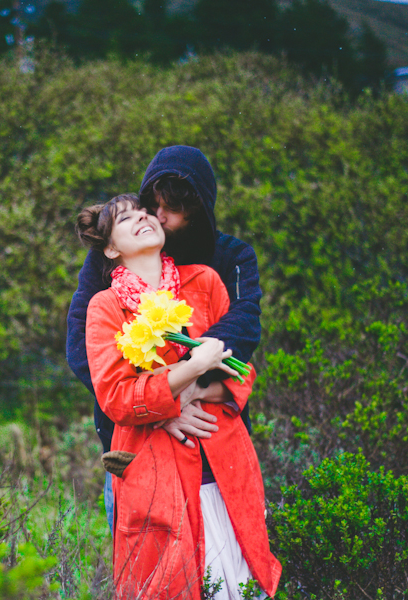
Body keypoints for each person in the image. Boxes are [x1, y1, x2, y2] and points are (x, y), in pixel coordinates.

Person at [76, 194, 280, 599]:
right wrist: (191, 369)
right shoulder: (106, 308)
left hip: (224, 467)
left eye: (144, 213)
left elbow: (243, 374)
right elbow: (116, 396)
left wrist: (198, 388)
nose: (141, 219)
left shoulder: (204, 282)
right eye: (126, 219)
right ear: (111, 248)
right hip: (156, 477)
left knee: (239, 584)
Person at [66, 145, 263, 527]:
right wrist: (156, 410)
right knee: (150, 574)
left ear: (197, 209)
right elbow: (82, 348)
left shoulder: (228, 258)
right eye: (149, 204)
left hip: (214, 445)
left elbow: (243, 325)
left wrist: (190, 382)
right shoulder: (114, 255)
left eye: (170, 208)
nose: (156, 217)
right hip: (136, 450)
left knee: (225, 572)